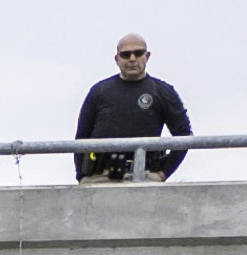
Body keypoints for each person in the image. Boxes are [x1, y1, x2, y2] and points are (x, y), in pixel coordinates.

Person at [76, 35, 192, 182]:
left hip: (145, 177)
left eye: (138, 53)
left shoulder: (163, 92)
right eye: (125, 54)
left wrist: (164, 173)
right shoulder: (99, 91)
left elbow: (183, 135)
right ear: (117, 59)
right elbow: (81, 138)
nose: (132, 58)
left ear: (147, 56)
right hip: (100, 177)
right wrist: (81, 176)